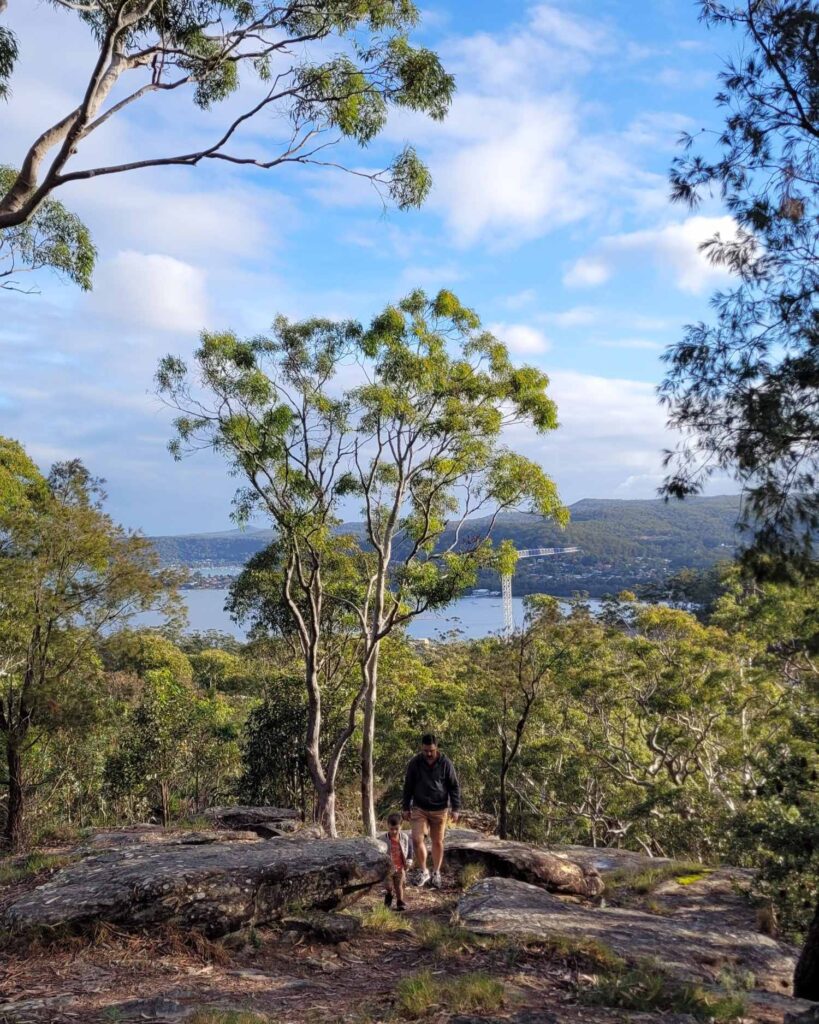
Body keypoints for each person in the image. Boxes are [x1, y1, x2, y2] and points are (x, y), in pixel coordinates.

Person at [401, 732, 460, 889]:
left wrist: (456, 808)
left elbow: (454, 786)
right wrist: (405, 807)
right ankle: (424, 870)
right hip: (419, 807)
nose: (428, 754)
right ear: (422, 748)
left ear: (436, 748)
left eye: (431, 751)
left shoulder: (445, 763)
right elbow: (408, 786)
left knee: (437, 841)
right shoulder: (415, 762)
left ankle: (436, 873)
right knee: (416, 839)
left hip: (440, 809)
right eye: (425, 750)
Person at [382, 812, 413, 912]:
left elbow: (410, 848)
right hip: (388, 869)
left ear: (401, 826)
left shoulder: (404, 837)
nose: (394, 831)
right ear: (388, 826)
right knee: (388, 886)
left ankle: (400, 901)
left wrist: (409, 859)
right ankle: (389, 895)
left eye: (397, 829)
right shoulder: (383, 839)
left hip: (400, 867)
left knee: (399, 885)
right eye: (392, 829)